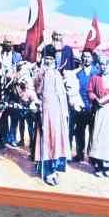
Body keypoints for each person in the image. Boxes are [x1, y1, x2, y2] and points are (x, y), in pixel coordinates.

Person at [33, 44, 74, 185]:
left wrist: (64, 113)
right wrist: (38, 103)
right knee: (46, 139)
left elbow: (62, 95)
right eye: (47, 58)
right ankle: (47, 171)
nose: (49, 61)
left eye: (51, 58)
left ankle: (55, 169)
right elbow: (35, 90)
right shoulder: (39, 73)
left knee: (57, 140)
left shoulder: (57, 73)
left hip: (57, 113)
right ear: (44, 59)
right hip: (45, 111)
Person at [85, 51, 109, 176]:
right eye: (101, 64)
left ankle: (107, 167)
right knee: (99, 138)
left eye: (106, 64)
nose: (104, 67)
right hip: (100, 111)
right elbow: (90, 91)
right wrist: (96, 99)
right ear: (99, 66)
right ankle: (98, 166)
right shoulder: (95, 78)